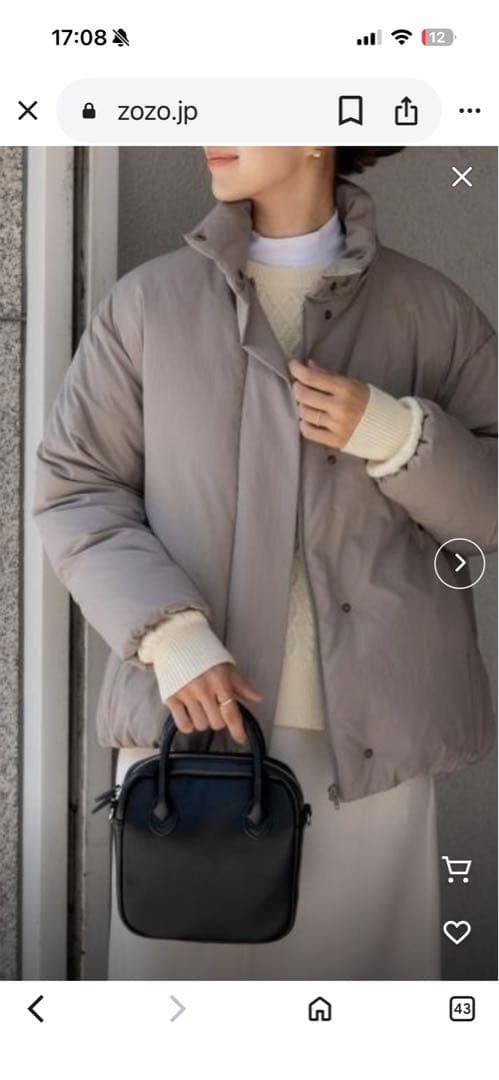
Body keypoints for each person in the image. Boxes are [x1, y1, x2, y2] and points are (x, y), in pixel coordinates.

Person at [32, 146, 497, 980]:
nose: (212, 128)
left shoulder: (430, 311)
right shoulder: (148, 305)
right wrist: (170, 638)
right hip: (190, 739)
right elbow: (75, 490)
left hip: (371, 751)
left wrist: (398, 436)